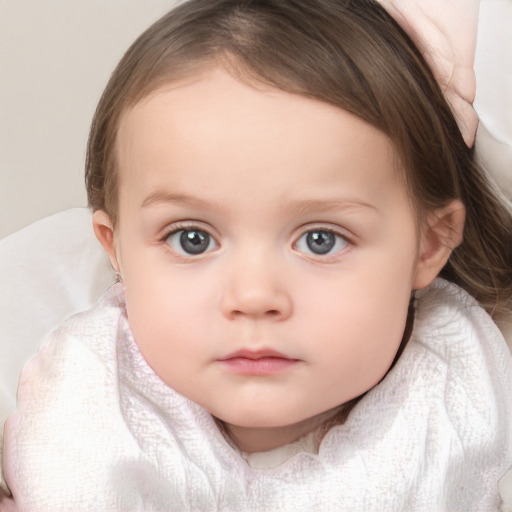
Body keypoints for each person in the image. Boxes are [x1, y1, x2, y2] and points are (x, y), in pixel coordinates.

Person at [1, 0, 511, 509]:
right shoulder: (79, 406)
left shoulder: (466, 401)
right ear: (117, 252)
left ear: (429, 245)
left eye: (321, 240)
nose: (254, 296)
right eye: (192, 239)